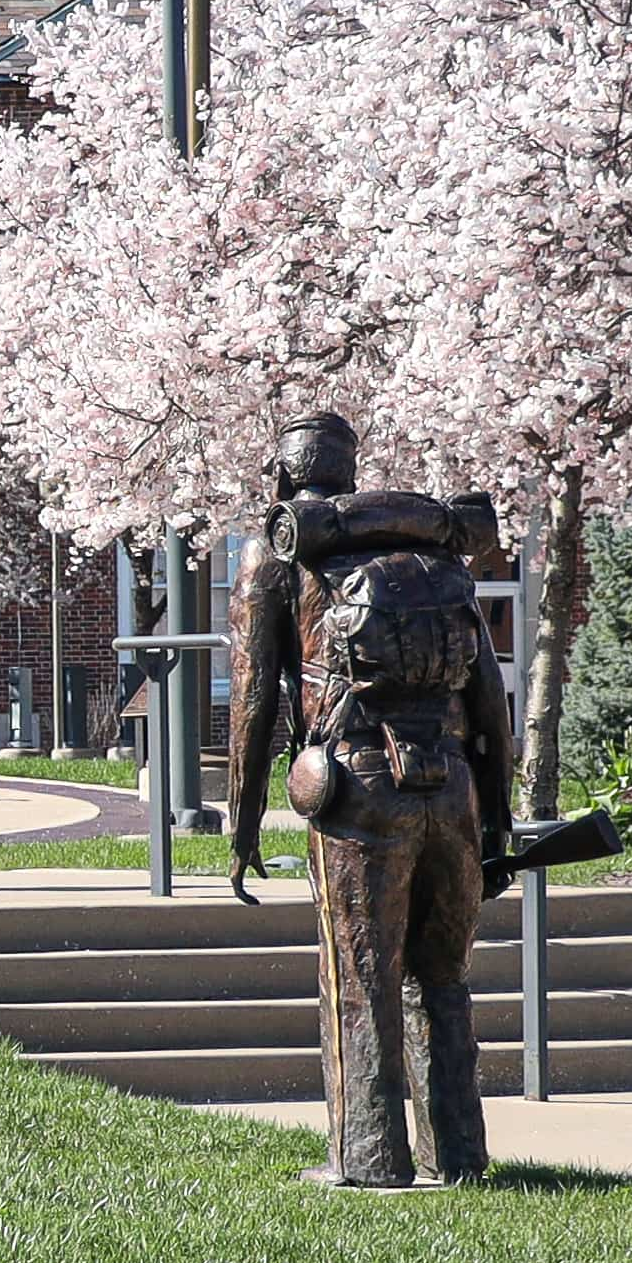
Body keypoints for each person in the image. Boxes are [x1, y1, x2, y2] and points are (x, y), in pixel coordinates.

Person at [223, 411, 518, 1187]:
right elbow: (490, 698)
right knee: (443, 976)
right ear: (351, 476)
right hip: (451, 785)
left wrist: (242, 820)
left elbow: (253, 700)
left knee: (363, 976)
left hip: (356, 787)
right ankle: (458, 1155)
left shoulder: (279, 556)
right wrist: (500, 815)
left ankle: (368, 1160)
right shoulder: (431, 556)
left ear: (284, 476)